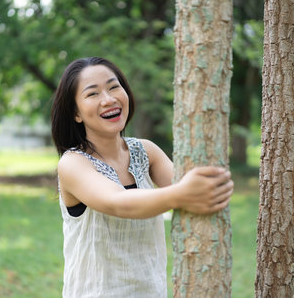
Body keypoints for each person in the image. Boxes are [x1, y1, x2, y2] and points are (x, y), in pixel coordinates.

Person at [51, 57, 234, 298]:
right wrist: (181, 194)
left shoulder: (146, 151)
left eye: (114, 87)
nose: (109, 99)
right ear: (76, 113)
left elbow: (197, 191)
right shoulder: (73, 163)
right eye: (92, 94)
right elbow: (118, 202)